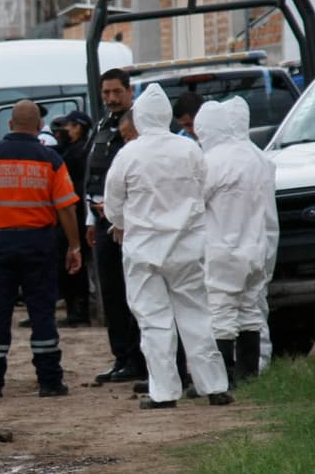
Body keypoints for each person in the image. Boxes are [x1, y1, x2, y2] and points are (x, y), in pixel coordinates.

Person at [102, 84, 233, 409]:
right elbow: (203, 188)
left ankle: (164, 392)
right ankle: (214, 386)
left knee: (154, 322)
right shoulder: (189, 149)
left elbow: (113, 202)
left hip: (143, 250)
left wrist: (122, 224)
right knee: (197, 317)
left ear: (140, 117)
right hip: (187, 248)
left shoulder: (128, 154)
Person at [0, 100, 83, 400]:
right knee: (42, 312)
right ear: (39, 126)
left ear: (10, 124)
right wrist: (74, 246)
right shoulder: (51, 159)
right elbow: (66, 208)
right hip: (40, 244)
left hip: (0, 244)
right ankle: (49, 381)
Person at [197, 97, 278, 383]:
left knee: (221, 314)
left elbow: (195, 202)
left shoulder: (212, 162)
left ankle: (221, 378)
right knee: (249, 310)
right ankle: (248, 375)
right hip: (255, 248)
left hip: (223, 249)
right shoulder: (256, 159)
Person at [83, 67, 146, 384]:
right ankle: (122, 357)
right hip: (101, 220)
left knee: (134, 292)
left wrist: (118, 209)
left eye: (116, 92)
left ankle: (139, 360)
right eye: (106, 92)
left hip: (129, 222)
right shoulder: (102, 125)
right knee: (111, 293)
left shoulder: (139, 125)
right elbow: (93, 175)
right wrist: (89, 219)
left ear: (129, 91)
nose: (111, 98)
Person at [57, 111, 93, 326]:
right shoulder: (73, 149)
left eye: (68, 126)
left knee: (74, 264)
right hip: (74, 212)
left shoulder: (79, 152)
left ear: (78, 127)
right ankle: (75, 310)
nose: (63, 130)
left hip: (76, 214)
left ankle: (79, 312)